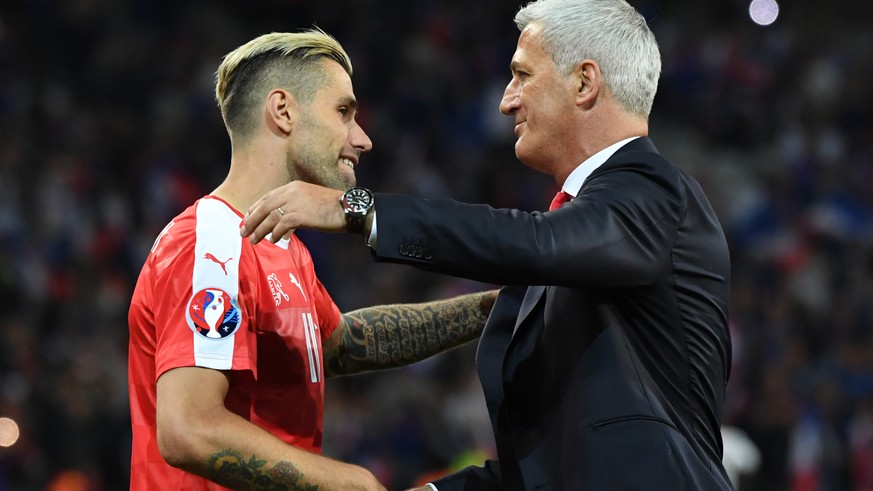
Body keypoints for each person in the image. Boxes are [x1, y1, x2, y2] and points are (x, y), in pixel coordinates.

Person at [240, 0, 734, 489]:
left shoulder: (652, 188)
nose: (507, 99)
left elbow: (538, 242)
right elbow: (546, 469)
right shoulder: (583, 250)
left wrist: (358, 208)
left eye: (522, 75)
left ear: (584, 83)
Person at [128, 29, 497, 490]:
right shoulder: (212, 244)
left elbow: (342, 342)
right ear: (283, 112)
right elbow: (189, 431)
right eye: (344, 112)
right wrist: (349, 483)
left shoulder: (283, 245)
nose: (362, 139)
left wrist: (493, 309)